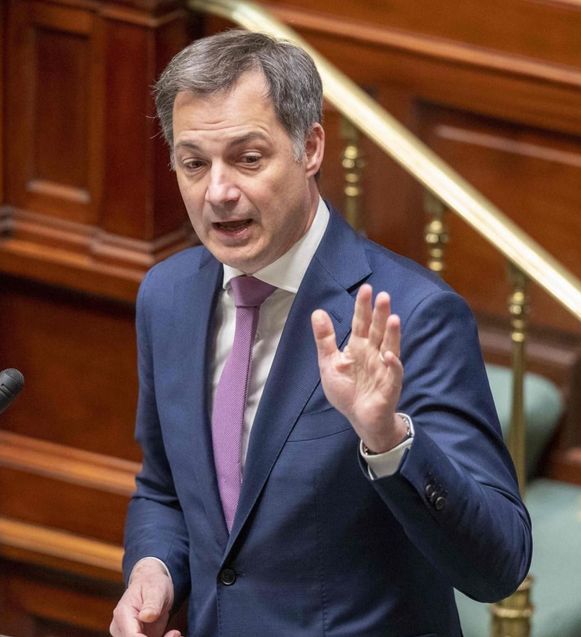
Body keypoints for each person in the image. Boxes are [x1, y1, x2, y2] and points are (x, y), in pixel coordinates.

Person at [110, 29, 531, 637]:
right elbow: (164, 489)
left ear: (310, 148)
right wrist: (153, 572)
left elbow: (499, 566)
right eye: (194, 163)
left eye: (248, 159)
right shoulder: (167, 297)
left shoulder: (413, 315)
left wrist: (387, 437)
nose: (218, 192)